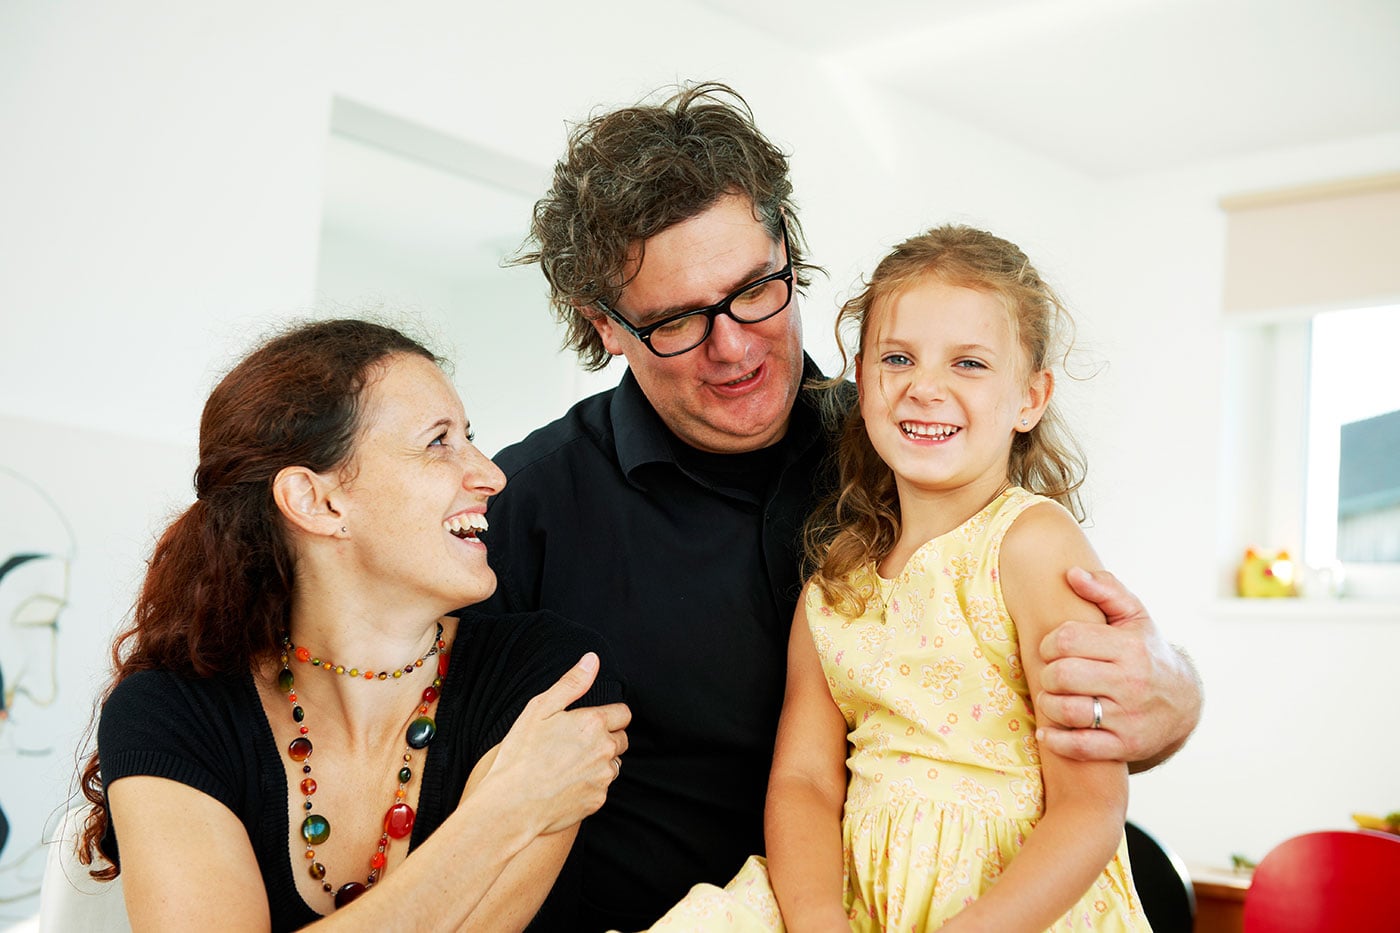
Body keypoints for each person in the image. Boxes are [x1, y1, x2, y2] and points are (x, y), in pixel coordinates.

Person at [485, 82, 1201, 931]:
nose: (733, 344)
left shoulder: (915, 451)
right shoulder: (521, 509)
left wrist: (1176, 692)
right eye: (678, 320)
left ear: (789, 253)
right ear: (605, 324)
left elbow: (1091, 733)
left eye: (756, 288)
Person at [647, 225, 1151, 931]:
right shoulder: (834, 585)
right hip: (857, 897)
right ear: (861, 377)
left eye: (969, 363)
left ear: (1030, 398)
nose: (925, 387)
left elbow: (1091, 807)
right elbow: (804, 781)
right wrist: (818, 919)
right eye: (898, 357)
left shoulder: (1033, 545)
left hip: (1006, 910)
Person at [74, 319, 631, 931]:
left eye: (469, 437)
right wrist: (509, 810)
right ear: (317, 502)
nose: (492, 475)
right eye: (439, 442)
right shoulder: (170, 712)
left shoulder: (552, 675)